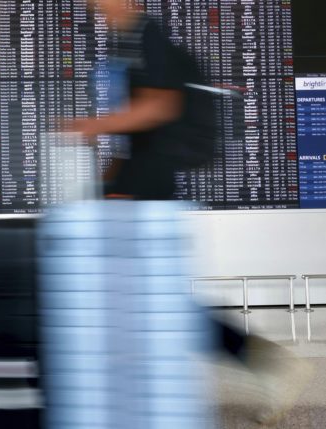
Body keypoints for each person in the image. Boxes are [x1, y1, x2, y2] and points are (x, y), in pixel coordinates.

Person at [70, 1, 311, 425]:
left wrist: (93, 126)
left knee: (149, 296)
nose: (94, 5)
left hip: (150, 186)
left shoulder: (148, 36)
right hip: (136, 182)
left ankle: (264, 365)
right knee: (142, 295)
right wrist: (109, 178)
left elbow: (160, 107)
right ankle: (259, 364)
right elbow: (138, 130)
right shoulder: (126, 42)